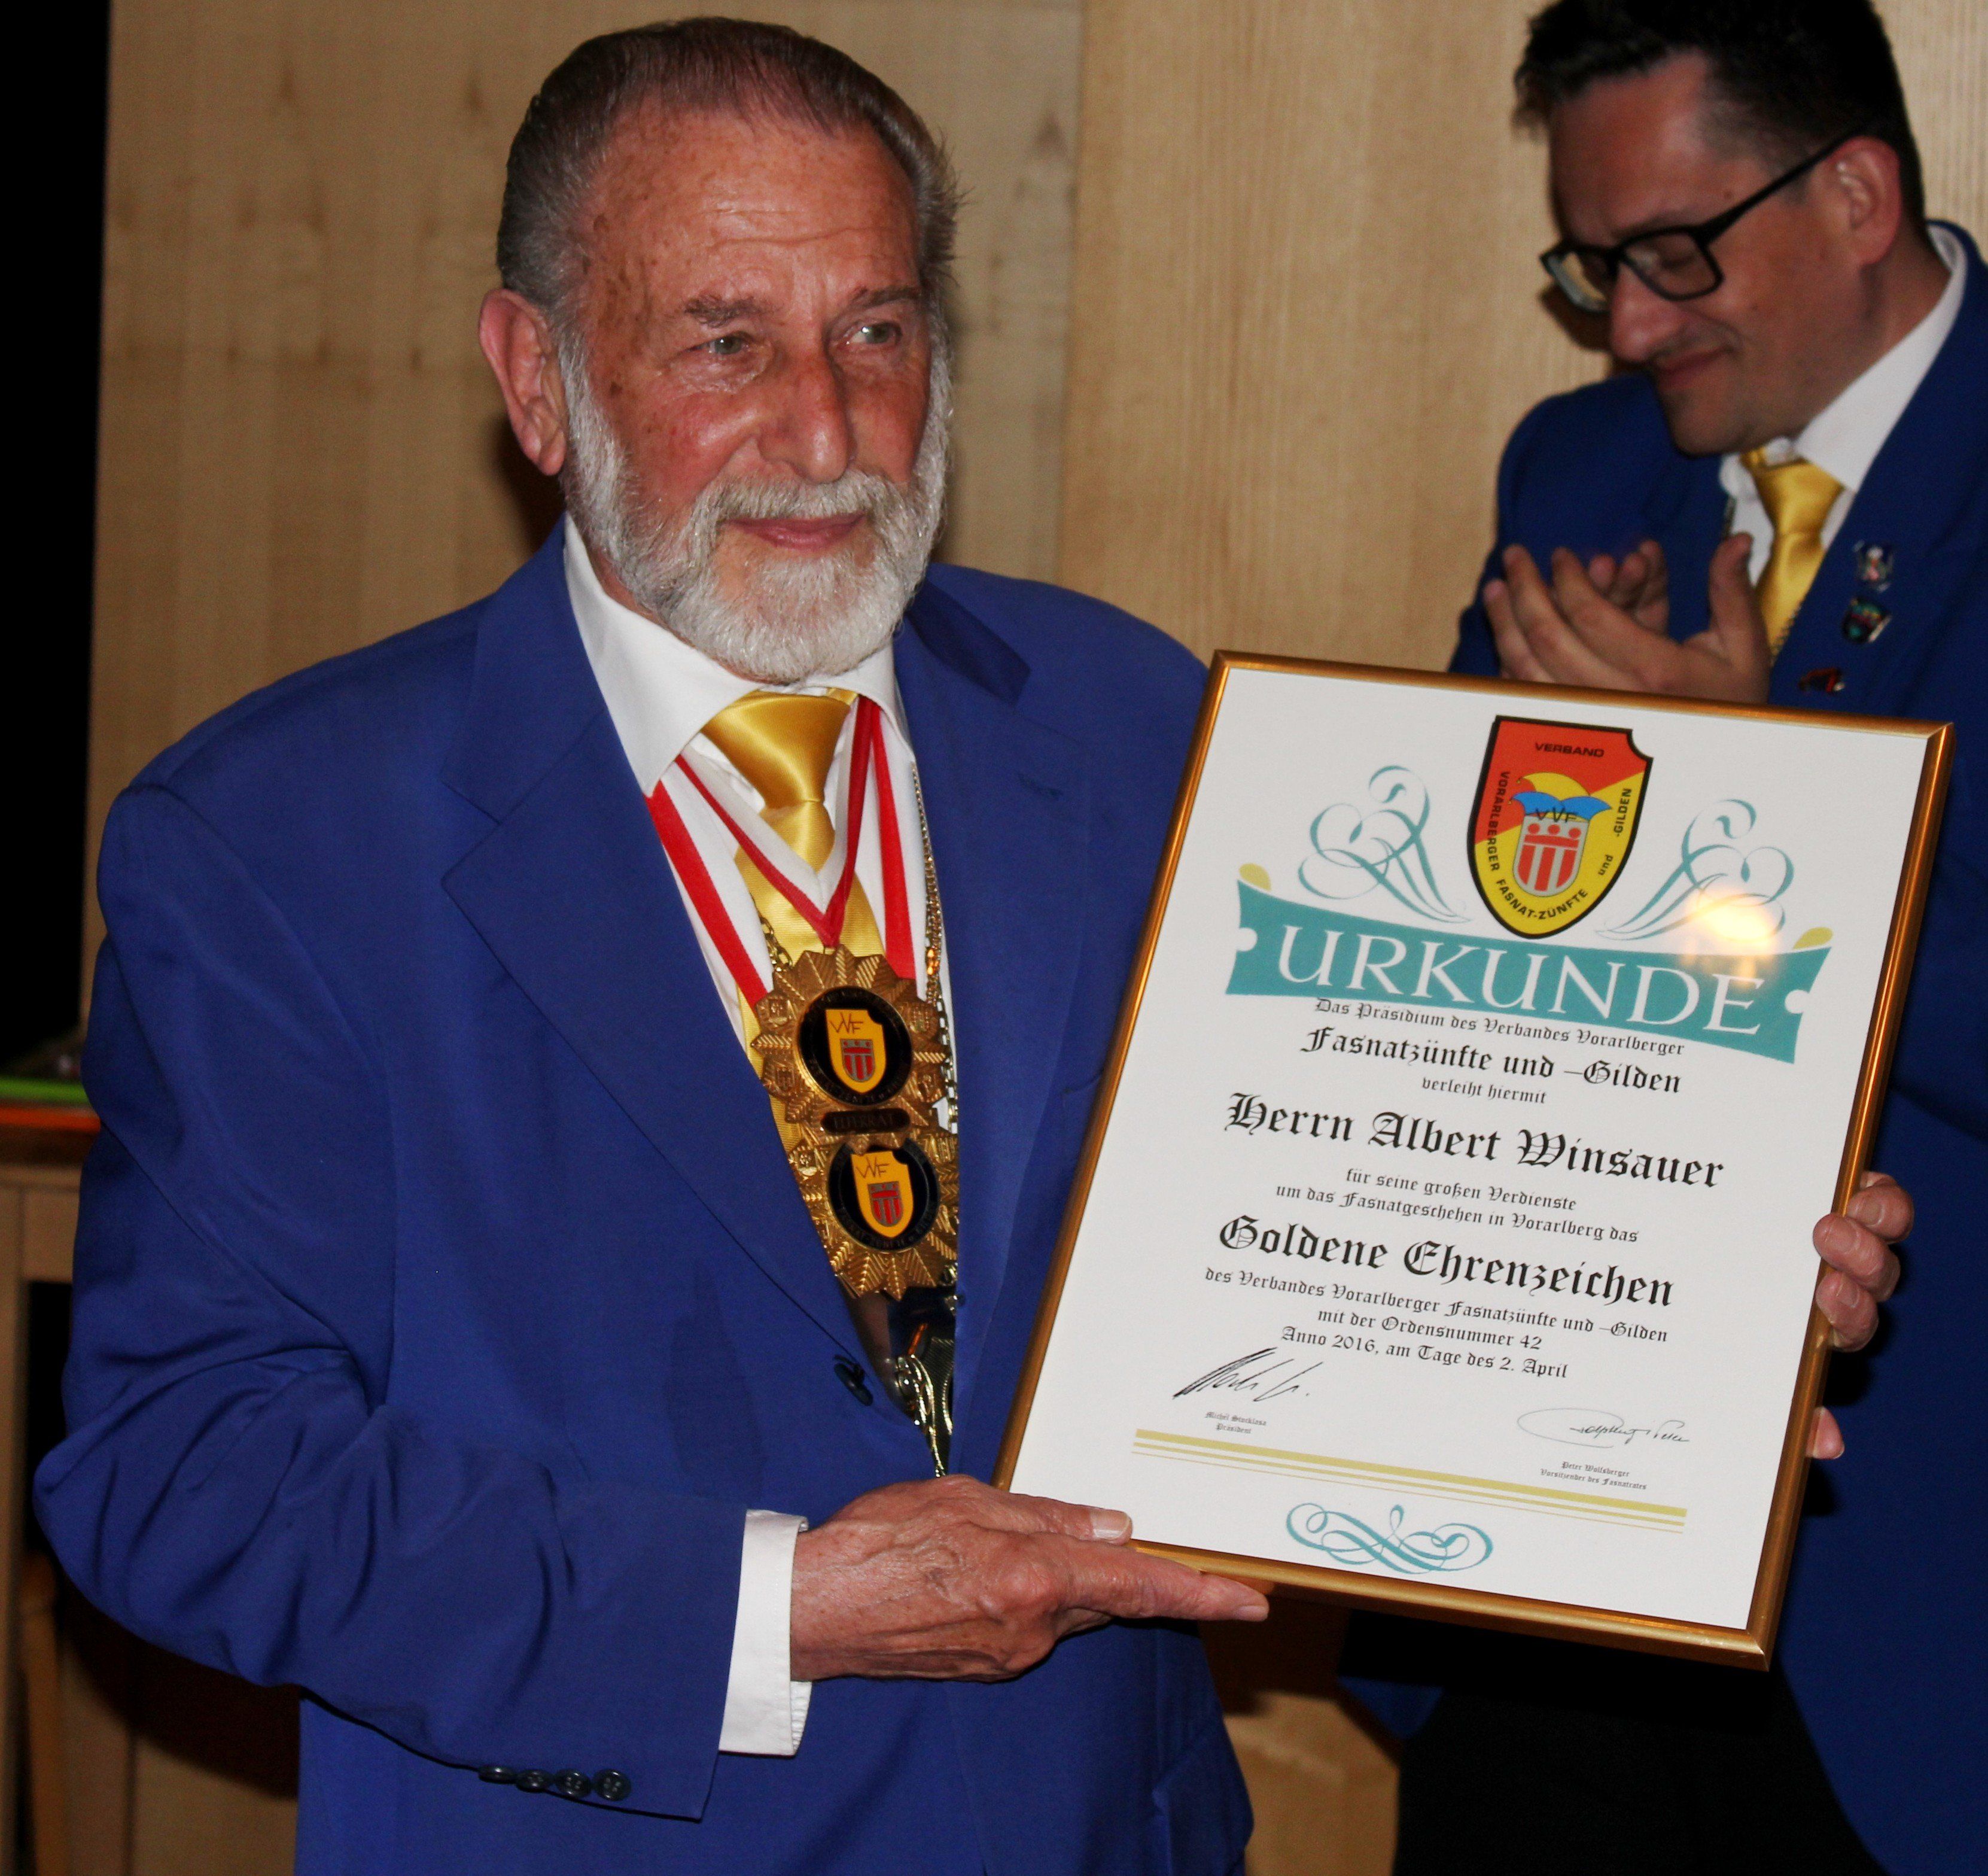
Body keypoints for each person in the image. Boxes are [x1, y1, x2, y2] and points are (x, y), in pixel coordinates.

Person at [35, 18, 1904, 1876]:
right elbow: (179, 1473)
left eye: (877, 330)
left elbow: (1334, 1233)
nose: (825, 432)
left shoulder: (1134, 724)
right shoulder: (279, 843)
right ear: (537, 380)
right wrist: (774, 1608)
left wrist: (1676, 1314)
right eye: (725, 344)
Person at [1349, 5, 1986, 1874]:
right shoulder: (1573, 475)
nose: (1626, 329)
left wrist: (1756, 812)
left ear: (1854, 194)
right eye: (1591, 267)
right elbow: (1476, 962)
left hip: (1923, 1605)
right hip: (1550, 1577)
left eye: (1670, 257)